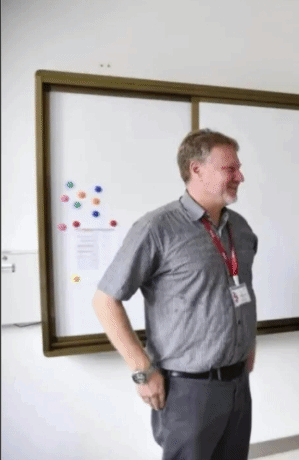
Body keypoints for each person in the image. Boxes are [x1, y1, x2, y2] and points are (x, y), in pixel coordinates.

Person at [92, 129, 258, 460]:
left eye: (238, 168)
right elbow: (105, 300)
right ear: (196, 169)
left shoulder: (240, 228)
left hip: (238, 383)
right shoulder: (157, 228)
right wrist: (141, 369)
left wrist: (248, 344)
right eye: (230, 169)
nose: (240, 177)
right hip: (187, 390)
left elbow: (243, 291)